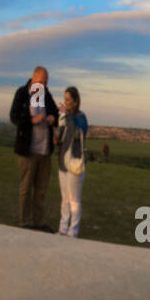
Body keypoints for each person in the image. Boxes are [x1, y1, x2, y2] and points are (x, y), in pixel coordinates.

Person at [9, 65, 58, 230]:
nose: (44, 85)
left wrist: (52, 118)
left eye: (46, 82)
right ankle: (24, 222)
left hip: (45, 151)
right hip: (28, 151)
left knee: (41, 190)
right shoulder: (22, 93)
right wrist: (32, 120)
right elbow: (14, 117)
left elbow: (56, 115)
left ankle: (39, 222)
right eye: (42, 82)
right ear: (33, 78)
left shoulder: (46, 94)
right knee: (26, 189)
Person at [55, 86, 88, 237]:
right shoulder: (65, 116)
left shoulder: (81, 117)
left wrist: (66, 115)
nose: (66, 102)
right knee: (64, 199)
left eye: (68, 100)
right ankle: (63, 228)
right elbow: (61, 135)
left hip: (74, 162)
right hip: (63, 162)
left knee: (74, 200)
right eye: (65, 99)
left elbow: (78, 129)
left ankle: (73, 231)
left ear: (76, 101)